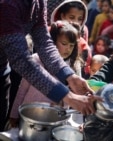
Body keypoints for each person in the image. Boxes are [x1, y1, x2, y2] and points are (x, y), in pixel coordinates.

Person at [0, 0, 100, 131]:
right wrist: (67, 96)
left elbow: (44, 43)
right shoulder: (8, 4)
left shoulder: (39, 2)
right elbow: (21, 60)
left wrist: (69, 76)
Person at [8, 20, 83, 128]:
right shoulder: (36, 60)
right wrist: (14, 114)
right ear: (52, 41)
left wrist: (64, 104)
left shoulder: (73, 67)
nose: (68, 49)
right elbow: (22, 89)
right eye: (64, 44)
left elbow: (75, 96)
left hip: (55, 120)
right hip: (29, 117)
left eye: (72, 45)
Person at [50, 0, 92, 78]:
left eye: (80, 19)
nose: (76, 22)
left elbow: (84, 56)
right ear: (62, 16)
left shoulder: (83, 32)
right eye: (71, 17)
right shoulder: (49, 32)